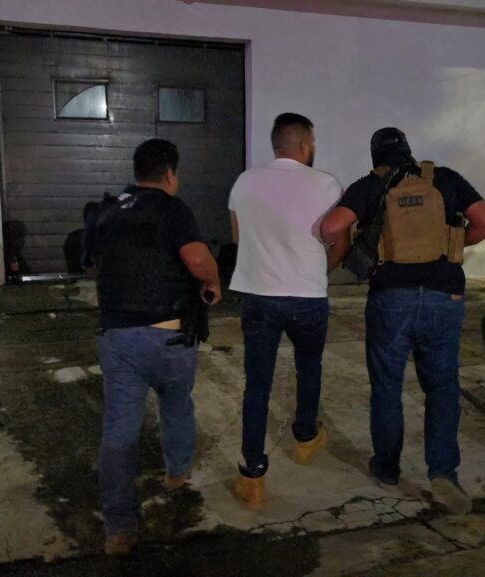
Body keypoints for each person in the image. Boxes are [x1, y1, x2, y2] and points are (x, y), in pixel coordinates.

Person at [320, 127, 485, 515]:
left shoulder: (371, 184)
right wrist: (452, 243)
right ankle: (443, 472)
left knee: (387, 386)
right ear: (409, 151)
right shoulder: (445, 178)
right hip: (444, 296)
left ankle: (387, 468)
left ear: (375, 156)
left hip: (391, 298)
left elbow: (330, 227)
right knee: (442, 386)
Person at [86, 138, 222, 555]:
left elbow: (92, 265)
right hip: (169, 336)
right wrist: (213, 281)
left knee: (119, 431)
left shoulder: (108, 210)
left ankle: (120, 529)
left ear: (137, 171)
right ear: (170, 174)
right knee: (176, 406)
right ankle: (176, 473)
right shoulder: (172, 209)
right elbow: (197, 260)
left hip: (119, 338)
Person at [228, 113, 343, 508]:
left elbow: (238, 237)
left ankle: (252, 474)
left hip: (257, 295)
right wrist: (318, 272)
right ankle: (305, 437)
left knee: (257, 384)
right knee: (308, 367)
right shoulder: (327, 184)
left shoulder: (245, 182)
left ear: (276, 144)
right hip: (308, 296)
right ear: (305, 145)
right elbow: (339, 240)